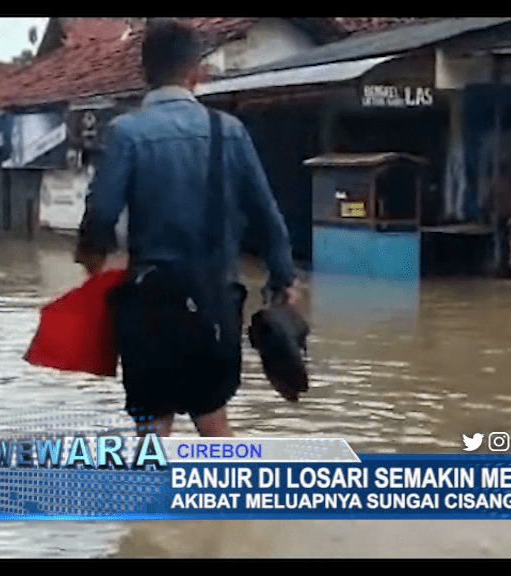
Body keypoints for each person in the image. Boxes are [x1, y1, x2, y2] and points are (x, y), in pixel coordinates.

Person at [75, 19, 300, 438]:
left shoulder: (127, 132)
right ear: (197, 71)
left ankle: (153, 501)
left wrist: (91, 262)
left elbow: (101, 215)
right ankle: (229, 500)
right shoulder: (229, 132)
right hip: (216, 303)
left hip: (149, 306)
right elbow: (268, 217)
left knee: (153, 425)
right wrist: (283, 280)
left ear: (144, 73)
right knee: (212, 417)